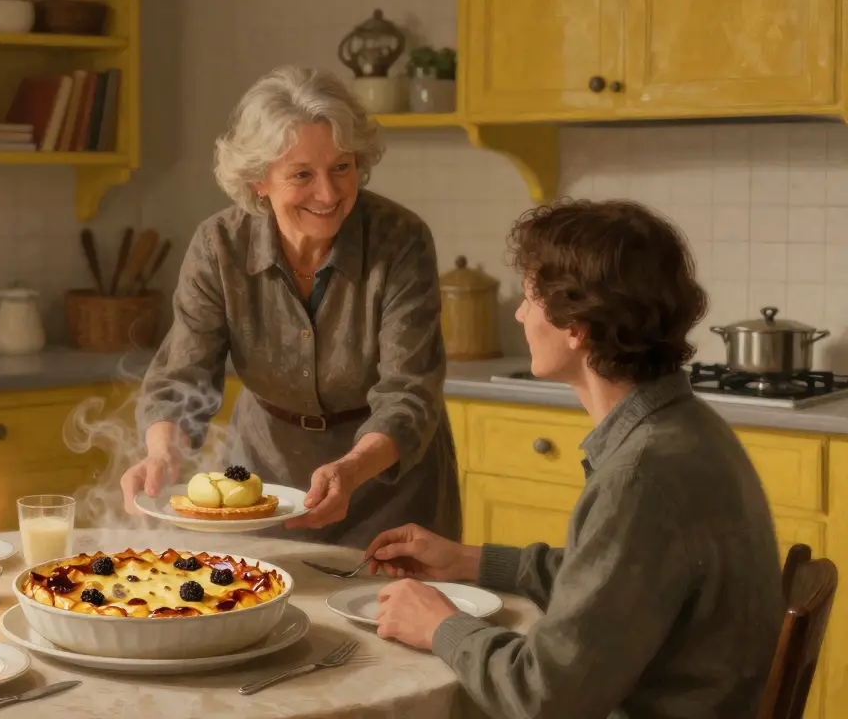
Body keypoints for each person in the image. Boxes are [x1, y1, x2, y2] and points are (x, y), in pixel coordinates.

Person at [366, 199, 784, 717]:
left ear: (576, 326)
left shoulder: (640, 477)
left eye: (528, 298)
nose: (519, 314)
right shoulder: (686, 429)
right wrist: (468, 561)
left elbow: (543, 694)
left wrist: (440, 626)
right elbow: (618, 582)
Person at [119, 65, 460, 547]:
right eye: (302, 174)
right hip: (263, 478)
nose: (328, 193)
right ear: (260, 180)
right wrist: (162, 455)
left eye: (342, 168)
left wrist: (350, 469)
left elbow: (410, 391)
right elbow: (183, 375)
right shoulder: (220, 246)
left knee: (387, 615)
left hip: (387, 481)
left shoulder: (400, 240)